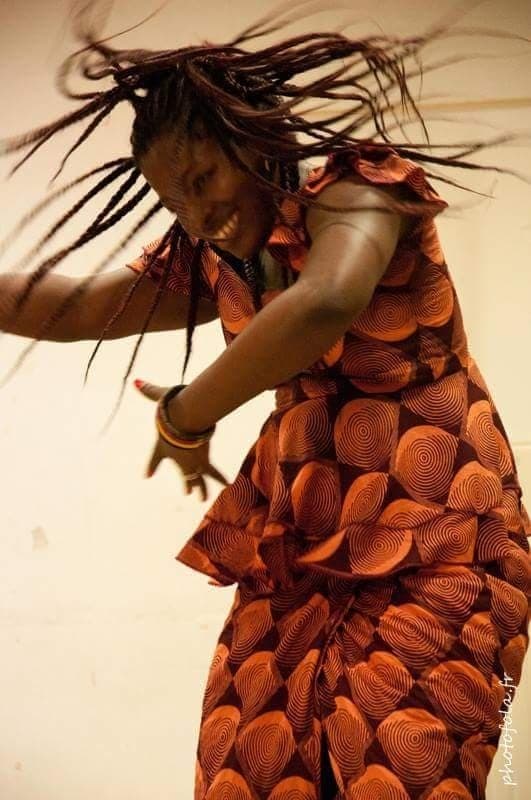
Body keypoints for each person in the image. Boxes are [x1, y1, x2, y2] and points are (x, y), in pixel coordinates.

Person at [1, 2, 530, 797]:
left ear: (259, 141)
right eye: (173, 201)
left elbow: (326, 299)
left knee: (398, 776)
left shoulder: (359, 191)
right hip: (301, 556)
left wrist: (185, 414)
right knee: (245, 772)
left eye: (203, 179)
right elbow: (76, 308)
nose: (197, 214)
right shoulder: (217, 260)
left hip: (443, 539)